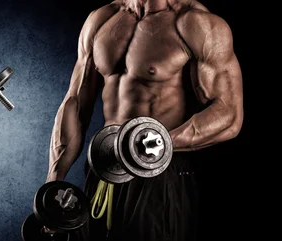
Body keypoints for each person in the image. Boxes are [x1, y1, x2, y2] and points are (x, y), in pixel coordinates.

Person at [45, 0, 243, 240]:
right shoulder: (101, 19)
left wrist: (151, 146)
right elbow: (75, 104)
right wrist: (54, 181)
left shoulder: (195, 23)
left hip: (157, 176)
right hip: (102, 169)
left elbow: (229, 114)